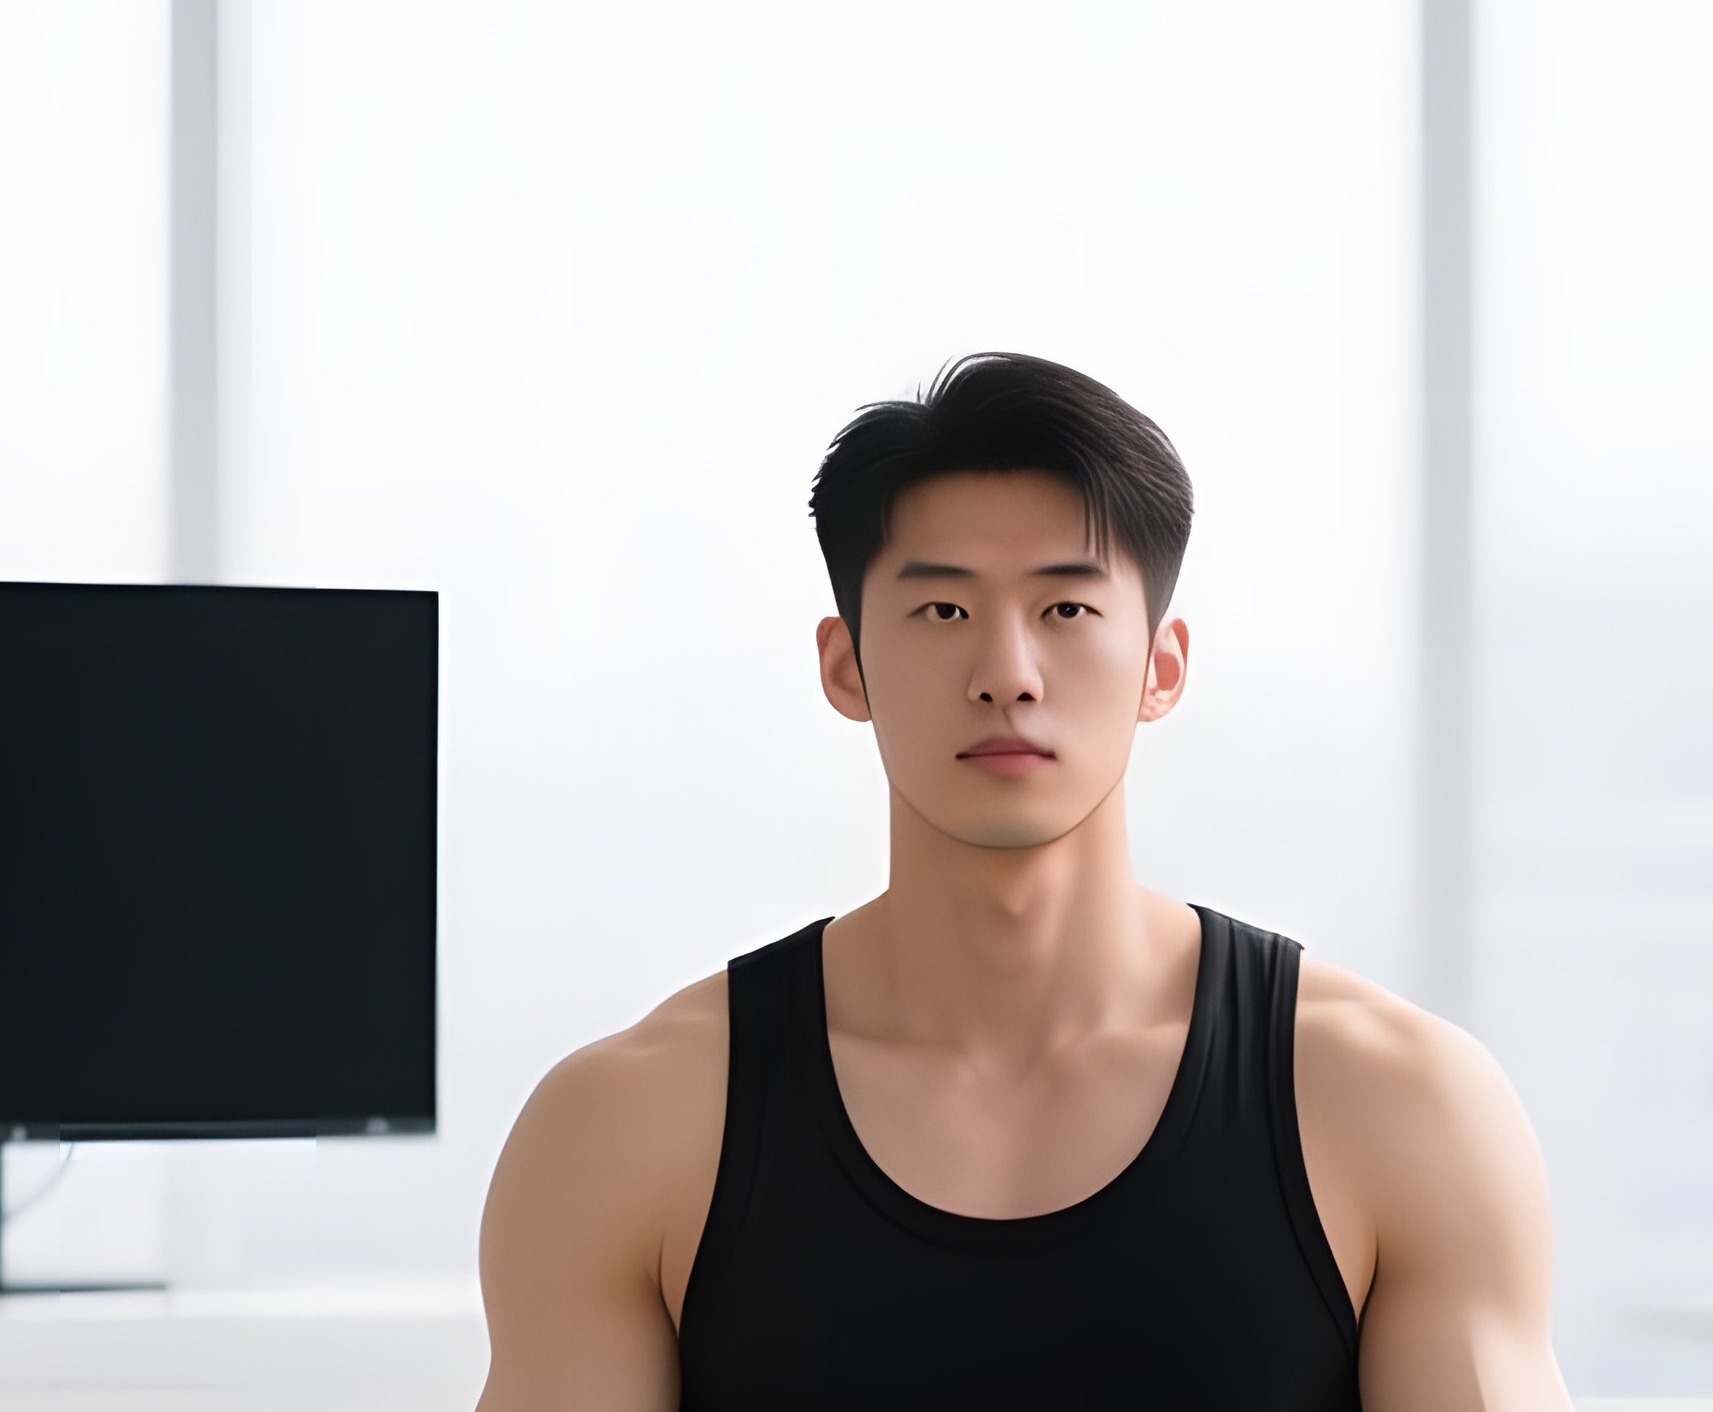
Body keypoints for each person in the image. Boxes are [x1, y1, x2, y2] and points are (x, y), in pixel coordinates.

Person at [475, 351, 1574, 1410]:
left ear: (1163, 667)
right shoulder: (631, 1127)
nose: (1007, 673)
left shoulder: (1398, 1108)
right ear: (845, 663)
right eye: (943, 611)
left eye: (1068, 610)